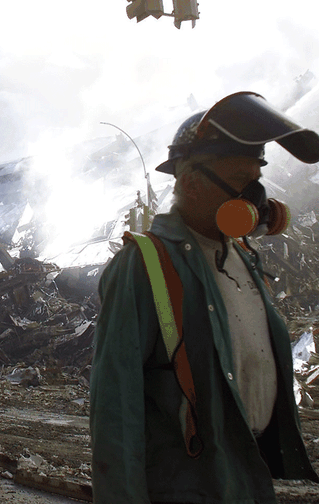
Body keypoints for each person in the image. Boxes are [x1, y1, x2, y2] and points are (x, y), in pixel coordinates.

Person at [90, 91, 319, 503]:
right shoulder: (144, 265)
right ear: (190, 184)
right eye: (239, 181)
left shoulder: (241, 254)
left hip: (244, 475)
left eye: (257, 181)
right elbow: (115, 409)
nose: (255, 197)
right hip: (188, 483)